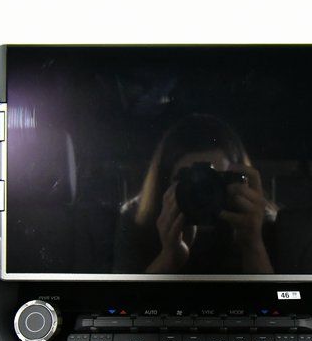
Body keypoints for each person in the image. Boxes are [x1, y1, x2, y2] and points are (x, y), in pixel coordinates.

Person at [113, 114, 276, 274]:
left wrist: (252, 244)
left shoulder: (258, 221)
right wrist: (169, 258)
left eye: (214, 180)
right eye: (189, 180)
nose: (203, 193)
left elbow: (283, 291)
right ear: (164, 184)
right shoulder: (137, 220)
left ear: (238, 180)